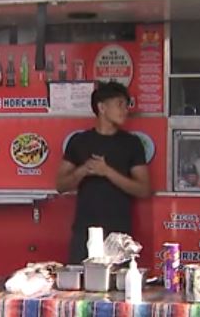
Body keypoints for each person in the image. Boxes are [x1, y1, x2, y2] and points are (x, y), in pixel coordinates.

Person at [56, 82, 151, 263]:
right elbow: (60, 185)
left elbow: (143, 189)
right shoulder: (79, 141)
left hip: (119, 234)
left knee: (120, 287)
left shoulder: (131, 143)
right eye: (120, 104)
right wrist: (84, 170)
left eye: (127, 105)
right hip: (84, 231)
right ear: (102, 107)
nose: (125, 110)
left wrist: (107, 171)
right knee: (79, 288)